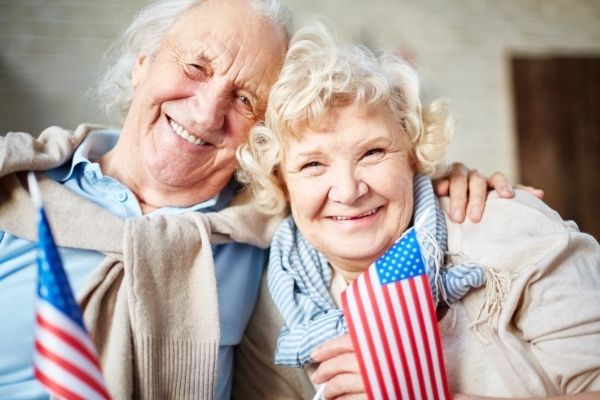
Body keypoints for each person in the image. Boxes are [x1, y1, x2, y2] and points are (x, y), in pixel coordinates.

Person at [0, 0, 529, 398]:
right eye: (196, 68)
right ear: (144, 62)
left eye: (245, 98)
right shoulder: (14, 192)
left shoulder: (273, 236)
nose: (207, 112)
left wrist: (439, 186)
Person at [234, 23, 600, 399]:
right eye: (313, 164)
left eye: (373, 152)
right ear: (280, 181)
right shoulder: (276, 307)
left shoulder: (512, 230)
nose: (348, 190)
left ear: (412, 155)